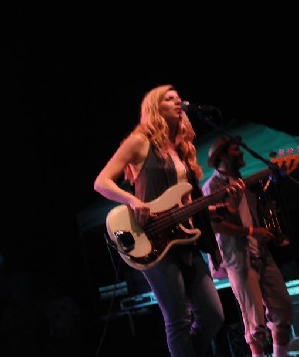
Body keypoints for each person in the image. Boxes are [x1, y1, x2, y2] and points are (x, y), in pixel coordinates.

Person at [93, 84, 242, 357]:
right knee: (179, 318)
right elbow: (101, 182)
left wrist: (222, 207)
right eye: (169, 98)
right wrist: (133, 201)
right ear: (154, 107)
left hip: (183, 236)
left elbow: (188, 206)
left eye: (178, 97)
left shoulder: (183, 151)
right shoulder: (139, 142)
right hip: (152, 238)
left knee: (212, 315)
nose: (179, 101)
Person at [202, 136, 294, 357]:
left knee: (283, 310)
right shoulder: (212, 187)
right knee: (255, 324)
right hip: (237, 258)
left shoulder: (245, 181)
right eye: (236, 150)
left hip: (261, 252)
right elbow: (215, 226)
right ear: (222, 156)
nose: (242, 153)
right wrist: (251, 232)